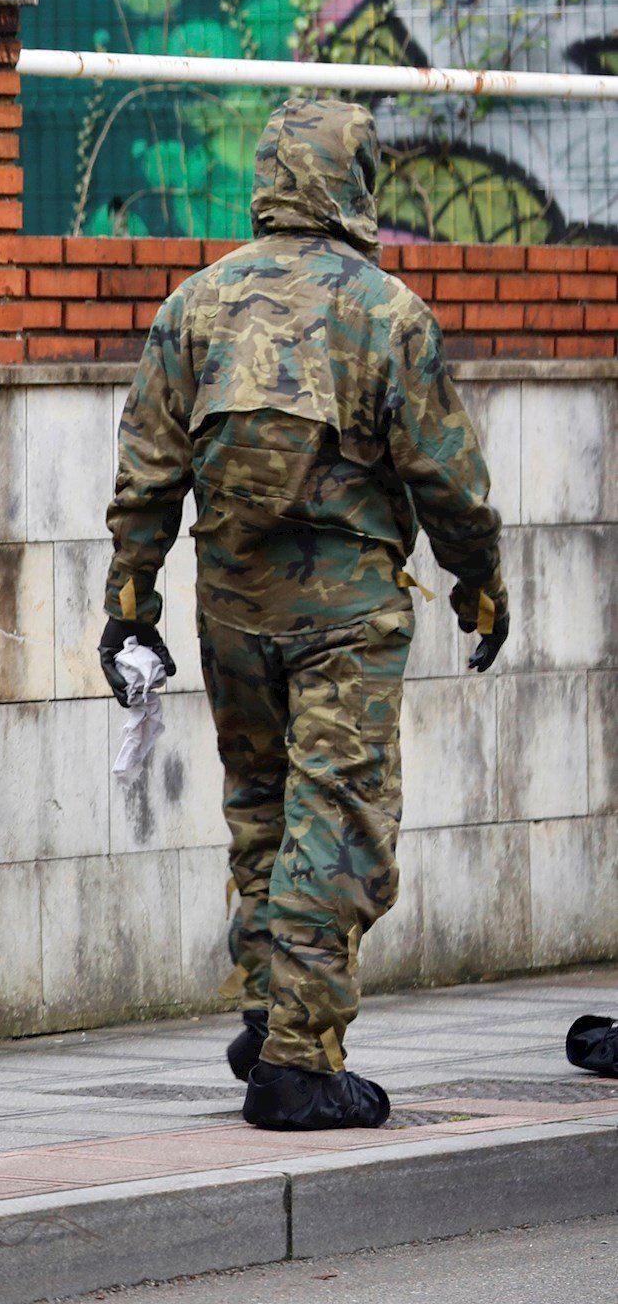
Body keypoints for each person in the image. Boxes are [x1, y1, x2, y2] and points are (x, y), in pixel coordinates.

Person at [103, 95, 506, 1134]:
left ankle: (266, 1007)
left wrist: (127, 605)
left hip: (228, 605)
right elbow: (446, 482)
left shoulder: (192, 305)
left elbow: (145, 475)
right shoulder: (385, 310)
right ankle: (296, 1059)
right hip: (347, 612)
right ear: (353, 182)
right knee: (338, 821)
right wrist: (477, 580)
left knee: (263, 813)